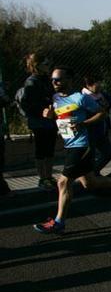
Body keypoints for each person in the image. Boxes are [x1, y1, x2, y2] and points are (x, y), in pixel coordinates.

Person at [33, 67, 111, 234]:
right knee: (89, 183)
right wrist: (51, 116)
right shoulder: (55, 98)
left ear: (69, 80)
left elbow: (102, 113)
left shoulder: (80, 98)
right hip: (70, 145)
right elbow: (60, 118)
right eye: (53, 79)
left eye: (58, 79)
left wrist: (83, 124)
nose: (54, 83)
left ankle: (59, 222)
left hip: (82, 145)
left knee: (62, 182)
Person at [20, 52, 57, 190]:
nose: (48, 66)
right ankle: (43, 178)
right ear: (37, 66)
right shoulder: (32, 81)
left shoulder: (47, 79)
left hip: (50, 119)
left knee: (50, 149)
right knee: (41, 149)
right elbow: (28, 104)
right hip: (39, 121)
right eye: (45, 64)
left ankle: (49, 175)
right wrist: (43, 110)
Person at [80, 73, 111, 175]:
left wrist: (108, 103)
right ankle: (90, 175)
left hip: (102, 130)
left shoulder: (101, 95)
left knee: (109, 153)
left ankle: (95, 172)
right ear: (89, 85)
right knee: (90, 155)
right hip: (91, 131)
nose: (99, 85)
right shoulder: (84, 97)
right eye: (97, 83)